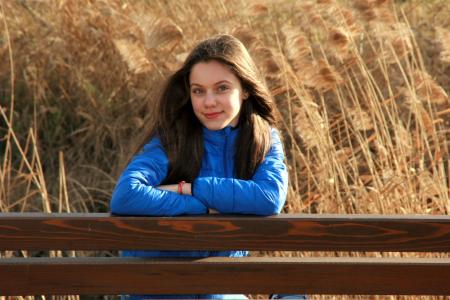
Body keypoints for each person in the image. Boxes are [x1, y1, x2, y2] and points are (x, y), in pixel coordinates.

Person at [110, 34, 303, 299]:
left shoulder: (264, 139)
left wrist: (189, 189)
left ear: (245, 89)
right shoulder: (172, 139)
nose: (208, 102)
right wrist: (203, 207)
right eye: (198, 91)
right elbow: (126, 195)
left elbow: (269, 197)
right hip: (160, 292)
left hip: (218, 289)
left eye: (221, 88)